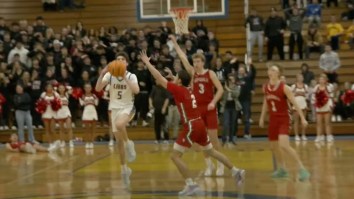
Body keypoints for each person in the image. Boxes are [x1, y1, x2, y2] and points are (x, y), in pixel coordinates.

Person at [140, 50, 245, 196]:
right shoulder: (189, 88)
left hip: (191, 126)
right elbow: (179, 81)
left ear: (179, 81)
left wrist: (147, 62)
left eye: (176, 78)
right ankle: (236, 171)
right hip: (200, 124)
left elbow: (158, 77)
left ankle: (191, 184)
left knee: (175, 156)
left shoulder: (178, 90)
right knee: (211, 151)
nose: (173, 79)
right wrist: (173, 77)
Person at [169, 35, 225, 176]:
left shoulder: (210, 73)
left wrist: (213, 102)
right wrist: (175, 43)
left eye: (198, 61)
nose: (196, 64)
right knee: (201, 141)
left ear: (203, 62)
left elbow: (221, 90)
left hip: (210, 109)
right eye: (194, 61)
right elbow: (182, 57)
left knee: (213, 139)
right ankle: (209, 165)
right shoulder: (192, 73)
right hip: (197, 110)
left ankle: (220, 165)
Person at [259, 64, 310, 181]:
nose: (270, 71)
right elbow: (265, 102)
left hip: (284, 119)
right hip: (273, 119)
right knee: (273, 146)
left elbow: (294, 103)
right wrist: (262, 117)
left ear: (278, 74)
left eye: (273, 70)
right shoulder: (266, 87)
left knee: (284, 145)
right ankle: (282, 169)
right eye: (269, 69)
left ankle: (302, 168)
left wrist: (302, 118)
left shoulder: (284, 87)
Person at [95, 52, 139, 187]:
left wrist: (124, 77)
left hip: (128, 107)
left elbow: (136, 91)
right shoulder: (110, 75)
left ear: (126, 63)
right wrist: (102, 74)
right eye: (117, 59)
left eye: (122, 59)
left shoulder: (131, 75)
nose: (120, 61)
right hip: (114, 108)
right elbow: (97, 88)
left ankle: (129, 143)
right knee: (118, 142)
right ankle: (124, 169)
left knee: (120, 125)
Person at [312, 74, 334, 143]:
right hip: (319, 107)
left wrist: (330, 104)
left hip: (326, 106)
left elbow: (331, 96)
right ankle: (318, 136)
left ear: (325, 80)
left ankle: (328, 136)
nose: (321, 80)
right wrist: (315, 103)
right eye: (320, 79)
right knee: (319, 123)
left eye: (323, 79)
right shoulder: (316, 87)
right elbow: (313, 97)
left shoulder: (329, 87)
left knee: (327, 122)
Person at [220, 74, 241, 145]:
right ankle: (224, 140)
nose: (231, 81)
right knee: (226, 124)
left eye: (232, 79)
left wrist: (229, 90)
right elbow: (221, 96)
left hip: (234, 107)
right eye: (230, 79)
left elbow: (236, 95)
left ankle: (231, 139)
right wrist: (225, 88)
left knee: (233, 124)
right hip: (226, 107)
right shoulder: (224, 87)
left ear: (234, 80)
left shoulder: (237, 87)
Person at [79, 83, 98, 149]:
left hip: (93, 111)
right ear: (84, 89)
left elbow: (96, 103)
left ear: (91, 88)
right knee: (87, 129)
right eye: (86, 88)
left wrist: (94, 100)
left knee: (93, 128)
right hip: (86, 111)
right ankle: (87, 142)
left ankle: (92, 142)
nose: (88, 89)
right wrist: (82, 99)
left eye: (89, 87)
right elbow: (81, 104)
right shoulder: (82, 96)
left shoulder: (94, 96)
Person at [291, 74, 308, 141]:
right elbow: (291, 96)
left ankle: (303, 135)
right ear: (296, 78)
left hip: (303, 104)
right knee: (296, 121)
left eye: (301, 77)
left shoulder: (305, 86)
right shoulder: (293, 86)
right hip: (296, 105)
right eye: (299, 77)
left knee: (303, 121)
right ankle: (296, 135)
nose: (300, 78)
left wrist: (306, 104)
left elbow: (307, 96)